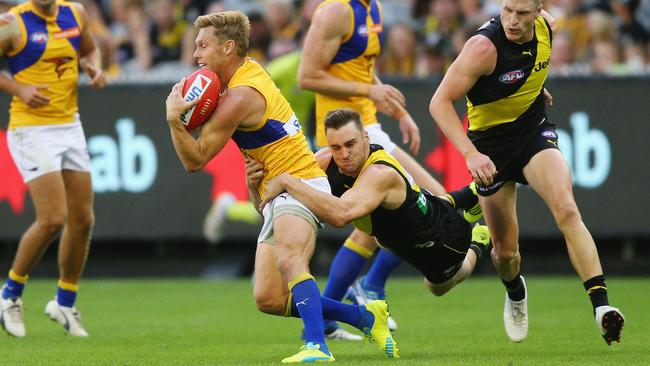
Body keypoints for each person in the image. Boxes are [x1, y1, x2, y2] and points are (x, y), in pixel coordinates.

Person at [165, 11, 397, 362]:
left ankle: (317, 346)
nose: (196, 54)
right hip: (279, 187)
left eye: (203, 45)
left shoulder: (240, 95)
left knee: (291, 261)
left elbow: (194, 160)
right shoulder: (247, 71)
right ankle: (363, 317)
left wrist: (174, 121)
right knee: (269, 299)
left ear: (228, 48)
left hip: (299, 183)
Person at [429, 0, 625, 345]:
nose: (512, 20)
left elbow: (531, 64)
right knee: (506, 253)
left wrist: (534, 86)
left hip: (532, 133)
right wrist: (470, 154)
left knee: (566, 208)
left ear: (539, 11)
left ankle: (602, 307)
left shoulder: (548, 27)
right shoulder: (483, 48)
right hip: (489, 148)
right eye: (507, 10)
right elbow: (439, 102)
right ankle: (516, 292)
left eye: (522, 13)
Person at [297, 0, 479, 336]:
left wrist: (397, 110)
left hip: (368, 127)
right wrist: (370, 90)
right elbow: (306, 76)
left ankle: (332, 312)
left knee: (376, 227)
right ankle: (370, 286)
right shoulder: (335, 11)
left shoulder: (372, 7)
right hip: (343, 136)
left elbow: (362, 68)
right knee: (430, 203)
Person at [257, 108, 491, 303]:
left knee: (438, 287)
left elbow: (341, 216)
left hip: (443, 241)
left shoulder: (379, 174)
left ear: (366, 139)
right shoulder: (326, 160)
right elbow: (271, 206)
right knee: (393, 226)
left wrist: (287, 181)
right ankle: (470, 194)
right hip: (405, 225)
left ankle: (478, 242)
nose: (344, 154)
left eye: (350, 144)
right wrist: (255, 183)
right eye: (336, 147)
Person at [0, 0, 106, 337]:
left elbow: (90, 49)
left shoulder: (75, 13)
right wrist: (18, 88)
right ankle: (9, 296)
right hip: (30, 128)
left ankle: (64, 302)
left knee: (83, 219)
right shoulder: (12, 23)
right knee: (52, 219)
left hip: (68, 124)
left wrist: (95, 67)